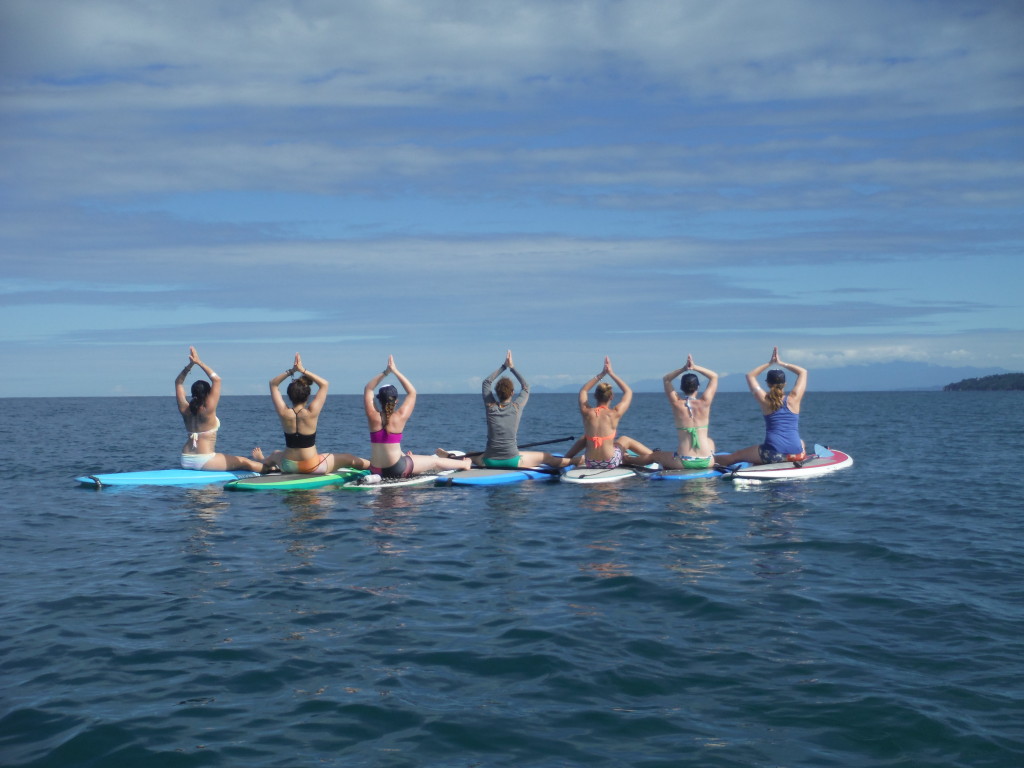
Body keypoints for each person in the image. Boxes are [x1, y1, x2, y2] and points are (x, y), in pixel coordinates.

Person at [438, 350, 573, 470]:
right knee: (547, 457)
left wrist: (503, 366)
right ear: (512, 392)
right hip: (513, 461)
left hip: (488, 461)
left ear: (497, 392)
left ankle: (450, 456)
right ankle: (577, 461)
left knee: (472, 454)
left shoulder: (490, 406)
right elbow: (526, 387)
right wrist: (512, 367)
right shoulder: (516, 407)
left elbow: (486, 382)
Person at [256, 354, 370, 474]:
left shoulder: (284, 413)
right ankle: (374, 466)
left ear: (289, 395)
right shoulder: (311, 412)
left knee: (275, 454)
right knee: (349, 458)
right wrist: (302, 370)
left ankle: (263, 460)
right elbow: (324, 384)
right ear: (307, 396)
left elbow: (273, 384)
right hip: (312, 466)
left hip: (288, 465)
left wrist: (292, 371)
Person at [363, 356, 472, 478]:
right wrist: (395, 371)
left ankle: (406, 457)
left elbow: (368, 388)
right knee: (434, 462)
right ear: (396, 401)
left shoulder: (372, 416)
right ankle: (464, 465)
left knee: (406, 456)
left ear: (379, 400)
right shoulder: (400, 416)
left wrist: (386, 372)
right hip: (397, 469)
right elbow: (412, 392)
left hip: (376, 469)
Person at [175, 346, 267, 472]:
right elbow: (216, 379)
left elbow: (178, 383)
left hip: (185, 459)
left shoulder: (185, 409)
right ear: (208, 394)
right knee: (245, 462)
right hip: (205, 460)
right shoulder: (208, 409)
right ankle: (273, 471)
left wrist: (189, 366)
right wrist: (199, 362)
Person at [715, 347, 808, 466]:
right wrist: (781, 363)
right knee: (801, 442)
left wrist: (770, 363)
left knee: (735, 456)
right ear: (785, 383)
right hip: (797, 455)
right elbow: (803, 372)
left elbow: (750, 376)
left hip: (772, 454)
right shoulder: (794, 398)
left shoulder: (765, 400)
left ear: (768, 383)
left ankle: (711, 462)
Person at [631, 355, 720, 470]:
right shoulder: (705, 403)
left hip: (683, 461)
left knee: (656, 455)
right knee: (709, 440)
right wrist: (694, 367)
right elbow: (714, 377)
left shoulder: (677, 403)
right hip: (708, 461)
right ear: (698, 386)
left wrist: (683, 369)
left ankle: (627, 460)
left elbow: (666, 379)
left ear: (681, 388)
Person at [564, 357, 653, 469]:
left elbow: (583, 390)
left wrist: (601, 374)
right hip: (610, 462)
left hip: (590, 462)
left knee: (586, 437)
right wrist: (611, 373)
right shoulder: (614, 413)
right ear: (611, 397)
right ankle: (652, 456)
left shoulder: (586, 412)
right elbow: (628, 391)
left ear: (595, 396)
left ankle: (566, 459)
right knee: (624, 439)